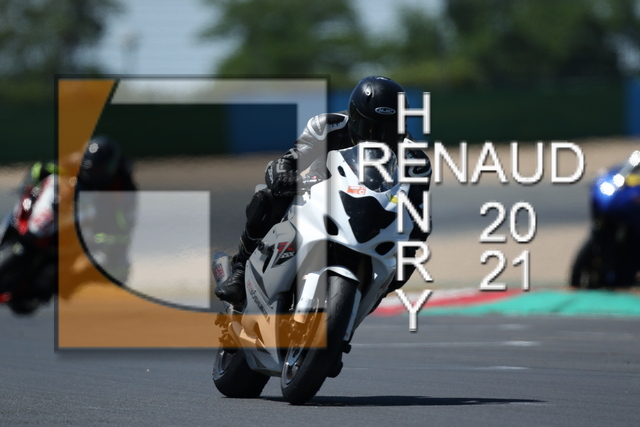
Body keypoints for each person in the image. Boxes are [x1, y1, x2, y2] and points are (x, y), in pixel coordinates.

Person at [215, 76, 432, 306]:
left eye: (388, 129)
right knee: (267, 198)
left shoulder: (415, 159)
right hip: (317, 196)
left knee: (404, 264)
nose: (376, 137)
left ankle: (365, 299)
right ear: (354, 116)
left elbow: (419, 210)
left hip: (371, 212)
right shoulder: (328, 126)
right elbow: (287, 161)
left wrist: (413, 237)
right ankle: (240, 269)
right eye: (369, 127)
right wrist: (283, 177)